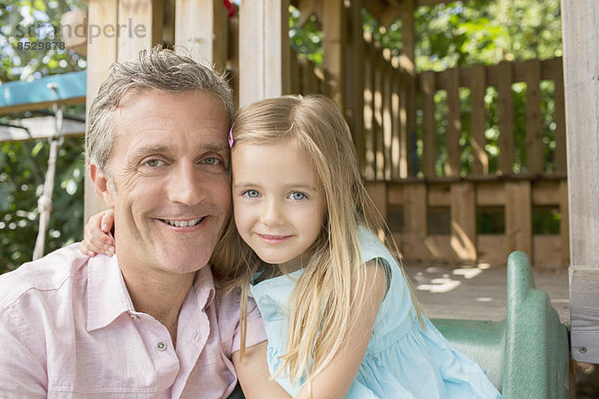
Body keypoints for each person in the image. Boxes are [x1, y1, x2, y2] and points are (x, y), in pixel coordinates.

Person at [84, 94, 502, 398]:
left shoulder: (360, 271)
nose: (271, 217)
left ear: (331, 194)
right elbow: (253, 366)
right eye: (250, 193)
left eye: (297, 195)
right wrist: (112, 221)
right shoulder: (245, 264)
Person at [0, 47, 267, 398]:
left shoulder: (250, 299)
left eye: (210, 160)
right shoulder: (22, 319)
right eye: (154, 161)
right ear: (104, 184)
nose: (188, 193)